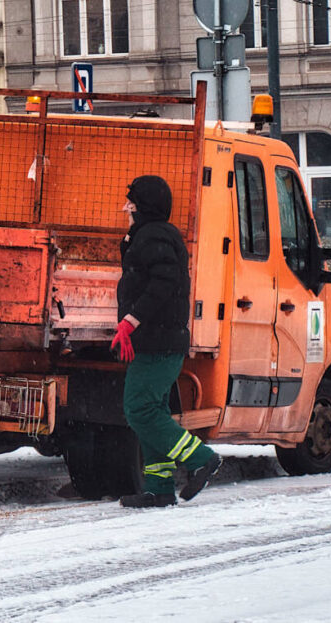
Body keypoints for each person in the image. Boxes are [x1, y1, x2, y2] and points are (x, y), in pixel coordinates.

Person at [112, 175, 221, 508]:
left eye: (131, 202)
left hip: (158, 342)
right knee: (154, 410)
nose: (125, 207)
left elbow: (163, 283)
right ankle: (159, 488)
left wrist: (132, 320)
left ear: (144, 206)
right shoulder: (149, 235)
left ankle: (201, 458)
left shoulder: (155, 235)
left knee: (139, 409)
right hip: (156, 341)